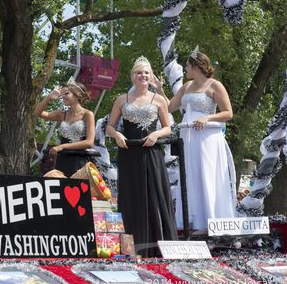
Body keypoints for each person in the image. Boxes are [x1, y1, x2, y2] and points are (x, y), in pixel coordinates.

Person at [156, 47, 236, 231]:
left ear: (196, 66)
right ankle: (192, 221)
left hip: (208, 137)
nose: (185, 69)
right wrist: (160, 91)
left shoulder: (214, 85)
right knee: (190, 176)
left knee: (207, 174)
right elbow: (169, 107)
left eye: (187, 66)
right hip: (188, 137)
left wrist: (207, 117)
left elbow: (228, 113)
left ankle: (211, 221)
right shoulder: (186, 87)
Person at [106, 56, 177, 257]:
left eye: (146, 72)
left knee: (154, 196)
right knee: (130, 196)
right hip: (128, 154)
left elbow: (168, 128)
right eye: (139, 72)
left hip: (151, 153)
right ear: (132, 76)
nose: (143, 76)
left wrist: (155, 134)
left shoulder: (159, 99)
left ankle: (157, 247)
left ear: (151, 76)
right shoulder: (122, 99)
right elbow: (110, 126)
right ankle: (131, 248)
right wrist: (117, 134)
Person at [34, 82, 95, 177]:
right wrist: (48, 98)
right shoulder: (61, 114)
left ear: (77, 95)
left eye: (66, 93)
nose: (63, 97)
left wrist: (62, 146)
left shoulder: (88, 114)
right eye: (63, 94)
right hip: (62, 160)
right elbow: (37, 113)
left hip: (79, 161)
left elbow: (89, 142)